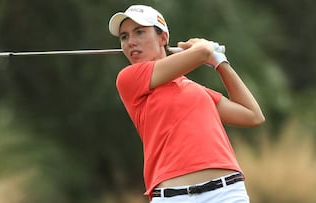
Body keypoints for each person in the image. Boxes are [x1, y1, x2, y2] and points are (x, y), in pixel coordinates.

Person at [108, 5, 265, 203]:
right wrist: (205, 50)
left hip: (226, 192)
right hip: (173, 197)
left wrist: (220, 62)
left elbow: (252, 115)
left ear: (163, 38)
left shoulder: (196, 90)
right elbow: (202, 52)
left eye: (139, 32)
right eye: (124, 37)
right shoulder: (129, 79)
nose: (131, 42)